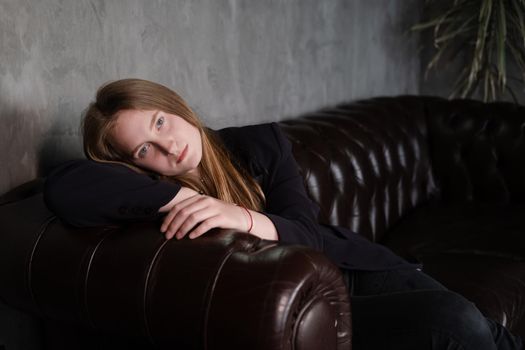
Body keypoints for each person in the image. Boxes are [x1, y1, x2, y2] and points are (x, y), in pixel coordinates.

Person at [44, 79, 523, 350]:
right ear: (133, 164)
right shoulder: (151, 193)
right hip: (301, 308)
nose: (168, 146)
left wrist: (239, 216)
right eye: (145, 147)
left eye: (160, 121)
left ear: (176, 108)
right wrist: (175, 201)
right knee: (455, 321)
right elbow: (65, 186)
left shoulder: (258, 144)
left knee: (484, 330)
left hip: (355, 269)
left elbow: (308, 235)